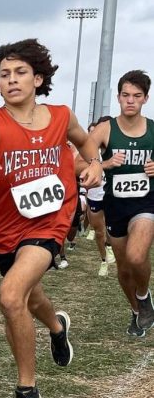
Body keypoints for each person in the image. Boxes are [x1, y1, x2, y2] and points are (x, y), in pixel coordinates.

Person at [0, 38, 101, 398]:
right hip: (5, 228)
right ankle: (57, 327)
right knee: (30, 297)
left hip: (50, 222)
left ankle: (28, 393)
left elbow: (87, 146)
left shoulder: (62, 116)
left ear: (38, 78)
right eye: (4, 75)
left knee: (10, 295)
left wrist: (95, 166)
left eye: (20, 73)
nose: (11, 80)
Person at [85, 71, 154, 337]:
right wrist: (103, 163)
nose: (130, 101)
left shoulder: (152, 129)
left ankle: (144, 296)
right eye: (125, 95)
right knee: (124, 269)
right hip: (115, 206)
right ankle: (138, 311)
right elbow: (80, 160)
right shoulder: (106, 130)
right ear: (118, 97)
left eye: (137, 96)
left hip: (146, 204)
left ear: (145, 99)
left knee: (137, 256)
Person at [84, 117, 115, 278]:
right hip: (95, 195)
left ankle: (110, 246)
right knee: (99, 231)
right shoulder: (89, 150)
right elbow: (79, 168)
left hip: (112, 194)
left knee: (112, 227)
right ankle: (104, 260)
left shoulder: (118, 147)